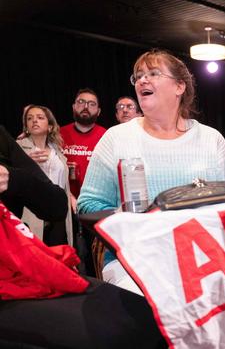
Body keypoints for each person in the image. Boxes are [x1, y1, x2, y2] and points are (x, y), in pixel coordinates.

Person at [77, 48, 225, 294]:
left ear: (179, 87)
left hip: (204, 254)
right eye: (138, 76)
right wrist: (126, 216)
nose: (142, 80)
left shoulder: (211, 139)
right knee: (158, 299)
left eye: (153, 73)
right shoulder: (116, 138)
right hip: (135, 259)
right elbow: (87, 205)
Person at [0, 125, 165, 349]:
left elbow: (56, 205)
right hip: (11, 281)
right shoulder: (116, 139)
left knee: (144, 315)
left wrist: (11, 178)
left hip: (19, 264)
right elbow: (89, 204)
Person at [16, 105, 73, 246]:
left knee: (59, 258)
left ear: (50, 126)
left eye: (40, 118)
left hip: (59, 214)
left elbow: (63, 184)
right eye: (30, 119)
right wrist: (25, 163)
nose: (34, 121)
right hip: (33, 214)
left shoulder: (57, 150)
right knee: (35, 258)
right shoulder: (18, 148)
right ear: (26, 127)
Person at [60, 88, 107, 198]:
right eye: (81, 102)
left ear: (98, 111)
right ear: (73, 107)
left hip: (96, 200)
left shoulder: (107, 136)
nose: (86, 107)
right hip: (64, 199)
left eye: (92, 104)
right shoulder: (57, 134)